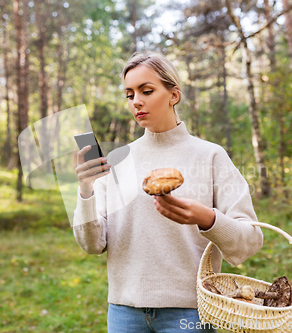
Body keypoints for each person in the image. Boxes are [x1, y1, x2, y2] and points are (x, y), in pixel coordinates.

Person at [72, 51, 263, 333]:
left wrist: (208, 219)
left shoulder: (210, 156)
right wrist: (85, 190)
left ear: (174, 95)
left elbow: (250, 242)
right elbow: (92, 244)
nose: (136, 101)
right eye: (129, 94)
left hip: (190, 313)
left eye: (146, 91)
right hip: (124, 312)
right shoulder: (116, 161)